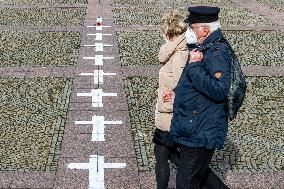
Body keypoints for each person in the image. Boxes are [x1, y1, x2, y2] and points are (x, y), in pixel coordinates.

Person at [163, 6, 232, 189]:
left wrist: (195, 65)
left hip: (200, 129)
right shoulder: (203, 47)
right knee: (191, 179)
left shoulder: (217, 52)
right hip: (194, 126)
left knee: (186, 183)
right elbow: (194, 83)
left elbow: (219, 90)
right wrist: (178, 93)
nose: (188, 33)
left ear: (204, 29)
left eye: (191, 28)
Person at [153, 10, 188, 189]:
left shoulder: (179, 54)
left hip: (171, 114)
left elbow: (181, 85)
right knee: (167, 154)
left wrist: (171, 97)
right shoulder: (173, 51)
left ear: (168, 32)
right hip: (168, 112)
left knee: (162, 155)